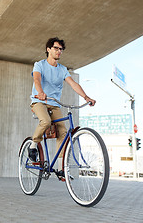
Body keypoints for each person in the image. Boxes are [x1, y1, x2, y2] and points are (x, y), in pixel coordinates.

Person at [29, 37, 96, 180]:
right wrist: (40, 92)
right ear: (48, 49)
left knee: (63, 131)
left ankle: (60, 168)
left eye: (61, 49)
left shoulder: (63, 69)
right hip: (38, 101)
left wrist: (86, 97)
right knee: (45, 121)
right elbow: (37, 79)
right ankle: (33, 145)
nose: (59, 51)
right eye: (56, 48)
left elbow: (73, 84)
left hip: (54, 104)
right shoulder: (39, 65)